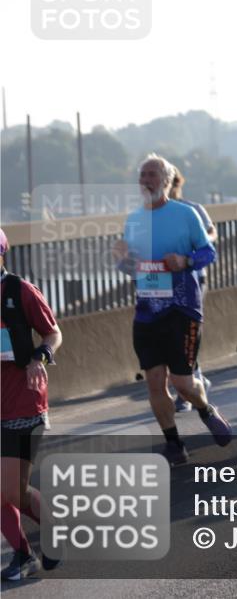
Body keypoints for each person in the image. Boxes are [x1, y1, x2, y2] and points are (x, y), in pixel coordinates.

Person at [112, 154, 231, 465]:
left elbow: (209, 252)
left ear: (165, 181)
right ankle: (174, 443)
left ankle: (206, 409)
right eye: (142, 175)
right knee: (153, 380)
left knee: (182, 382)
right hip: (147, 310)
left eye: (151, 175)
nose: (145, 180)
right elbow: (131, 268)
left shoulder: (186, 214)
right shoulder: (133, 220)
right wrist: (121, 259)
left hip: (182, 308)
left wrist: (186, 261)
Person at [1, 228, 64, 581]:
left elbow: (53, 331)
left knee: (12, 491)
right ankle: (23, 555)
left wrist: (41, 355)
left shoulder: (19, 290)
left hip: (24, 403)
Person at [168, 166, 216, 410]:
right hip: (163, 283)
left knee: (184, 331)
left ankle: (185, 389)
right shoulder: (151, 214)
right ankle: (195, 380)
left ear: (177, 183)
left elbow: (210, 234)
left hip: (193, 279)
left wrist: (189, 253)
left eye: (172, 183)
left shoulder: (192, 209)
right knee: (168, 335)